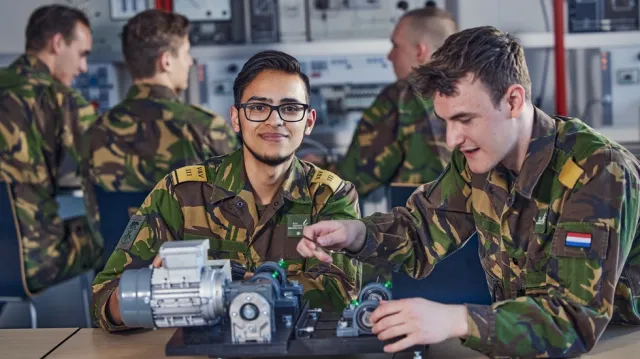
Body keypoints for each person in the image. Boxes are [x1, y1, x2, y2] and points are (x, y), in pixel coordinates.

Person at [297, 26, 640, 358]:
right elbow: (420, 230)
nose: (452, 139)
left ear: (513, 101)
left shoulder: (597, 171)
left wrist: (454, 319)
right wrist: (355, 234)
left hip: (612, 332)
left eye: (465, 119)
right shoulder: (479, 159)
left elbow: (573, 320)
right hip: (532, 329)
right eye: (446, 121)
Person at [92, 50, 362, 332]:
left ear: (308, 121)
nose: (276, 121)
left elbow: (340, 298)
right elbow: (104, 297)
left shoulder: (331, 197)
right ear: (236, 118)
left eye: (291, 108)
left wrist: (219, 287)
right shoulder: (182, 192)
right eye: (258, 108)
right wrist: (155, 291)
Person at [85, 9, 238, 236]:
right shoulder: (205, 127)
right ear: (166, 61)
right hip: (194, 268)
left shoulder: (95, 132)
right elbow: (237, 216)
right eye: (186, 53)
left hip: (120, 267)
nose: (190, 62)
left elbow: (96, 226)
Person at [0, 5, 102, 294]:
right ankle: (111, 330)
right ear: (58, 43)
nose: (83, 68)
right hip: (30, 259)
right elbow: (108, 166)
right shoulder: (61, 99)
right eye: (82, 54)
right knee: (118, 228)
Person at [307, 6, 456, 197]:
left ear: (420, 52)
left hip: (423, 221)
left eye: (396, 46)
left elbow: (354, 179)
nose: (389, 56)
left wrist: (315, 168)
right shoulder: (476, 90)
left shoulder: (402, 96)